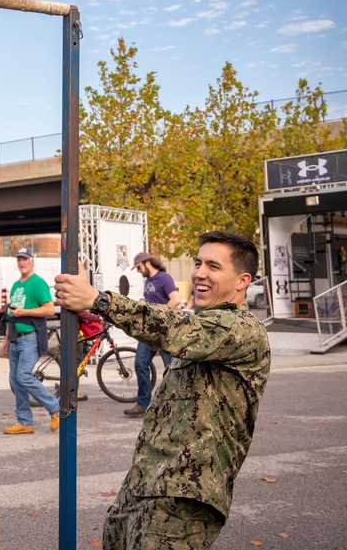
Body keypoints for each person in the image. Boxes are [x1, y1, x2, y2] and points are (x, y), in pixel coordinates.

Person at [53, 230, 271, 549]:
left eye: (213, 266)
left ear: (242, 280)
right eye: (198, 263)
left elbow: (174, 328)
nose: (199, 272)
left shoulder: (242, 330)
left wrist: (98, 300)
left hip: (185, 495)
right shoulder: (205, 324)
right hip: (146, 480)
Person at [2, 247, 60, 435]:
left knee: (24, 377)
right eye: (19, 259)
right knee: (16, 381)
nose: (21, 262)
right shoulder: (16, 285)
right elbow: (12, 314)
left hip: (30, 338)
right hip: (15, 339)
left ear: (32, 261)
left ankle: (55, 407)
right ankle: (24, 421)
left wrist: (25, 312)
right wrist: (6, 340)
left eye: (25, 259)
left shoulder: (38, 283)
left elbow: (50, 309)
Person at [125, 251, 182, 416]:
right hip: (148, 331)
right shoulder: (149, 280)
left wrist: (160, 318)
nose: (138, 271)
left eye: (139, 267)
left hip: (164, 330)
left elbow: (175, 300)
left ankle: (175, 406)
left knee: (171, 369)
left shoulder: (164, 278)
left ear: (147, 263)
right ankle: (143, 404)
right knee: (140, 364)